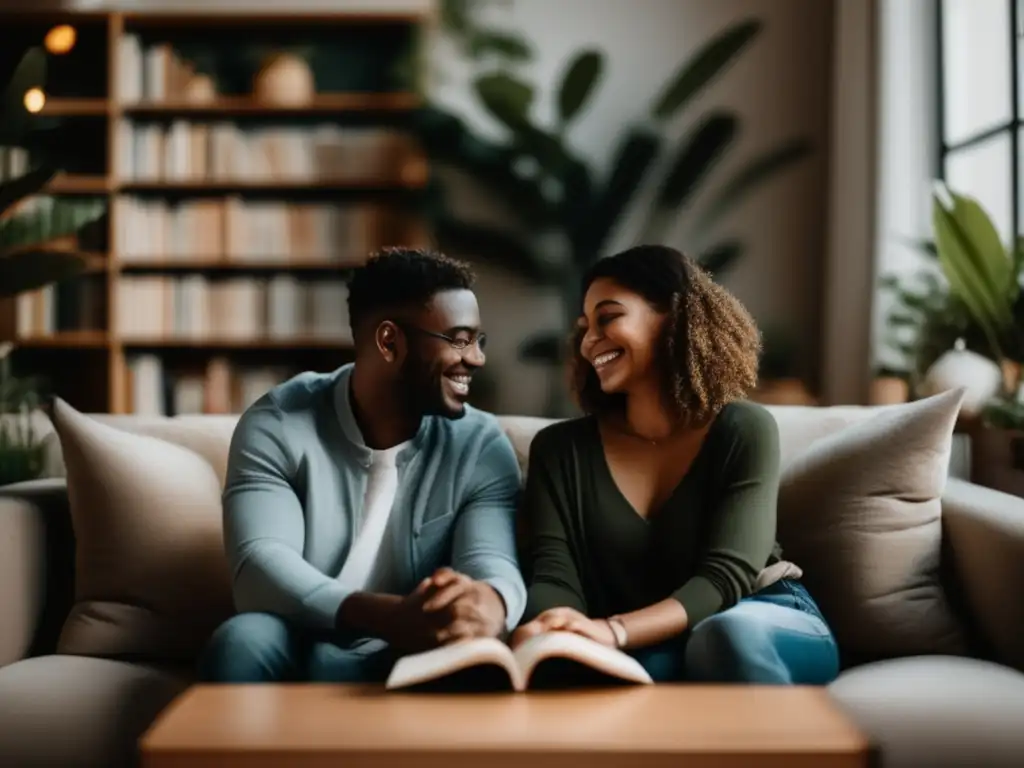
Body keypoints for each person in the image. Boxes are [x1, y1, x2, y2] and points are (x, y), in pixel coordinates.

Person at [510, 245, 839, 685]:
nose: (590, 340)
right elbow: (554, 576)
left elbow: (727, 576)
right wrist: (559, 629)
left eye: (608, 317)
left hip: (762, 619)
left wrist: (612, 630)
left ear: (674, 315)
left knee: (723, 638)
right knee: (620, 673)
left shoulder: (743, 428)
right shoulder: (559, 450)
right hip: (652, 644)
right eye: (585, 326)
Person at [198, 247, 526, 683]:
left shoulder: (481, 444)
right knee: (242, 640)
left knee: (475, 658)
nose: (476, 358)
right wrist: (387, 615)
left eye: (478, 341)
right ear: (389, 341)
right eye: (460, 339)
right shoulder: (278, 424)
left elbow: (492, 560)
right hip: (303, 632)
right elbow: (260, 565)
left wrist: (490, 602)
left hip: (414, 647)